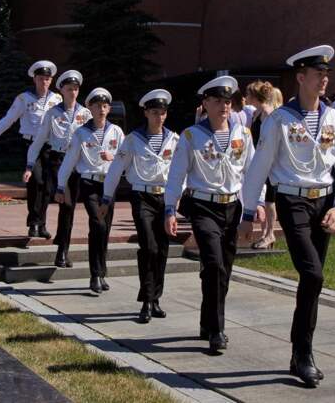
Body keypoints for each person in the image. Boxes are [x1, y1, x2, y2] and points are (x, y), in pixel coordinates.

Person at [239, 45, 335, 387]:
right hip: (292, 201)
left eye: (326, 74)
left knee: (312, 282)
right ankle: (302, 353)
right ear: (301, 77)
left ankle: (301, 354)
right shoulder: (279, 120)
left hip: (324, 203)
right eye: (318, 74)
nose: (324, 80)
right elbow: (259, 167)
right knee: (313, 274)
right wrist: (248, 212)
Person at [164, 76, 255, 354]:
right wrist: (169, 208)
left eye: (227, 101)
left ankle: (208, 319)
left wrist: (257, 204)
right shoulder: (191, 136)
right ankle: (217, 330)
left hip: (232, 208)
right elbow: (176, 174)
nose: (224, 106)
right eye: (217, 101)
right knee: (214, 264)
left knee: (222, 269)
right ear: (205, 103)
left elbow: (252, 172)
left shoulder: (243, 134)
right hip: (203, 207)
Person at [103, 89, 179, 323]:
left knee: (162, 249)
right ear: (146, 113)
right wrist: (106, 197)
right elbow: (116, 169)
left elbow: (180, 172)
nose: (159, 117)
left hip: (165, 198)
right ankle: (146, 300)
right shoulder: (133, 139)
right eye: (154, 112)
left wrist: (176, 199)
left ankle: (155, 299)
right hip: (142, 197)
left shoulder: (174, 139)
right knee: (149, 247)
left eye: (162, 113)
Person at [55, 88, 124, 293]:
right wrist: (60, 186)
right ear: (90, 109)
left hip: (109, 185)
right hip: (89, 184)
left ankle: (101, 272)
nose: (101, 110)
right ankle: (94, 274)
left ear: (109, 109)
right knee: (98, 224)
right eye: (97, 106)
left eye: (105, 106)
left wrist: (115, 158)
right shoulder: (81, 133)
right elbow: (69, 161)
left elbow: (127, 158)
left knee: (105, 228)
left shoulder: (116, 132)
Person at [0, 60, 63, 238]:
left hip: (51, 146)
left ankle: (42, 224)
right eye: (41, 78)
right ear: (34, 79)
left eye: (47, 79)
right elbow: (9, 118)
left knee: (48, 186)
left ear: (51, 80)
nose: (44, 82)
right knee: (36, 181)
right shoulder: (24, 98)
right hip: (31, 144)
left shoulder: (57, 99)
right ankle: (33, 223)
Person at [24, 70, 92, 267]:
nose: (73, 93)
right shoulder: (52, 114)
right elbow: (38, 141)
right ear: (61, 90)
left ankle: (63, 248)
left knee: (69, 208)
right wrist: (29, 165)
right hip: (58, 162)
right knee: (66, 203)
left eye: (76, 89)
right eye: (69, 89)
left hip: (77, 164)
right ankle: (62, 250)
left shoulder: (85, 114)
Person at [245, 80, 278, 249]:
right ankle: (265, 233)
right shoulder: (256, 113)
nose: (246, 97)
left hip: (270, 163)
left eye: (248, 94)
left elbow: (270, 140)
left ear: (255, 96)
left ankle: (270, 233)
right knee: (264, 199)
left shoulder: (268, 113)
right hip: (259, 160)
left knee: (270, 200)